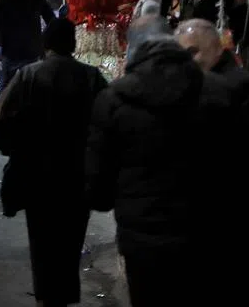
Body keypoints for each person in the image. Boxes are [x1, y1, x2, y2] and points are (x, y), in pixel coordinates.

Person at [85, 33, 231, 305]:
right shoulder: (216, 94)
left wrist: (103, 198)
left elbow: (99, 177)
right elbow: (232, 165)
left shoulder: (114, 99)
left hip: (140, 233)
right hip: (201, 229)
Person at [0, 19, 107, 307]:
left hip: (37, 174)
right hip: (78, 176)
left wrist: (15, 150)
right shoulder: (92, 77)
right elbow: (108, 125)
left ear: (47, 44)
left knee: (42, 241)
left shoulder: (28, 75)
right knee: (71, 240)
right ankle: (63, 297)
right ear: (74, 44)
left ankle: (46, 296)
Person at [176, 18, 249, 307]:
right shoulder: (197, 85)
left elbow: (243, 158)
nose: (188, 62)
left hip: (232, 218)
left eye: (193, 53)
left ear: (216, 50)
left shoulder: (238, 86)